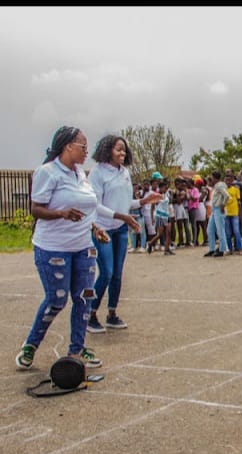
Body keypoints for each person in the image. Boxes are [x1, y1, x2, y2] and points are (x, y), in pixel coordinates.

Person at [15, 126, 109, 370]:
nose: (86, 151)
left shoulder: (81, 175)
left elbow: (85, 209)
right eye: (83, 146)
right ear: (68, 146)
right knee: (57, 299)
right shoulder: (47, 172)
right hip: (53, 248)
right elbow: (36, 209)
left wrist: (95, 227)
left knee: (84, 297)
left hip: (83, 247)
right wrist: (62, 213)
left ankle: (77, 348)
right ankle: (31, 345)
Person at [87, 135, 162, 333]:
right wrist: (122, 216)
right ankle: (90, 314)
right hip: (102, 228)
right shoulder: (97, 173)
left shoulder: (125, 173)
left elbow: (126, 202)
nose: (122, 152)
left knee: (117, 274)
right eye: (118, 149)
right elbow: (95, 205)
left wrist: (144, 202)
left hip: (120, 228)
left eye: (124, 149)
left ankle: (112, 314)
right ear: (107, 150)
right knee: (107, 272)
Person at [204, 171, 230, 257]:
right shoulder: (217, 186)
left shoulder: (219, 186)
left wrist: (223, 205)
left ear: (214, 178)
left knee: (220, 230)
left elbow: (227, 196)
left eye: (211, 178)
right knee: (210, 229)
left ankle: (222, 250)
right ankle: (212, 249)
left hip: (219, 209)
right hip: (215, 209)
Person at [147, 180, 175, 256]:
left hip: (166, 215)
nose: (166, 189)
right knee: (160, 234)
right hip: (159, 215)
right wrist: (152, 218)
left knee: (168, 232)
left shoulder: (166, 194)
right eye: (165, 188)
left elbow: (169, 203)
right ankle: (151, 243)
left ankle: (167, 249)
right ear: (161, 188)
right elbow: (152, 207)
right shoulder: (156, 196)